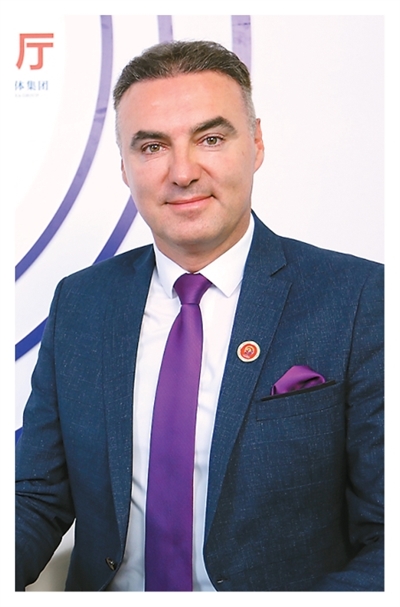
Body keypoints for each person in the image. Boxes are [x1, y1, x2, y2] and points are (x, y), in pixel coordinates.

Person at [15, 40, 383, 592]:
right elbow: (36, 496)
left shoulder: (358, 298)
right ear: (124, 167)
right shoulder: (81, 302)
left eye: (210, 139)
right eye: (152, 146)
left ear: (256, 143)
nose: (182, 172)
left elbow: (387, 534)